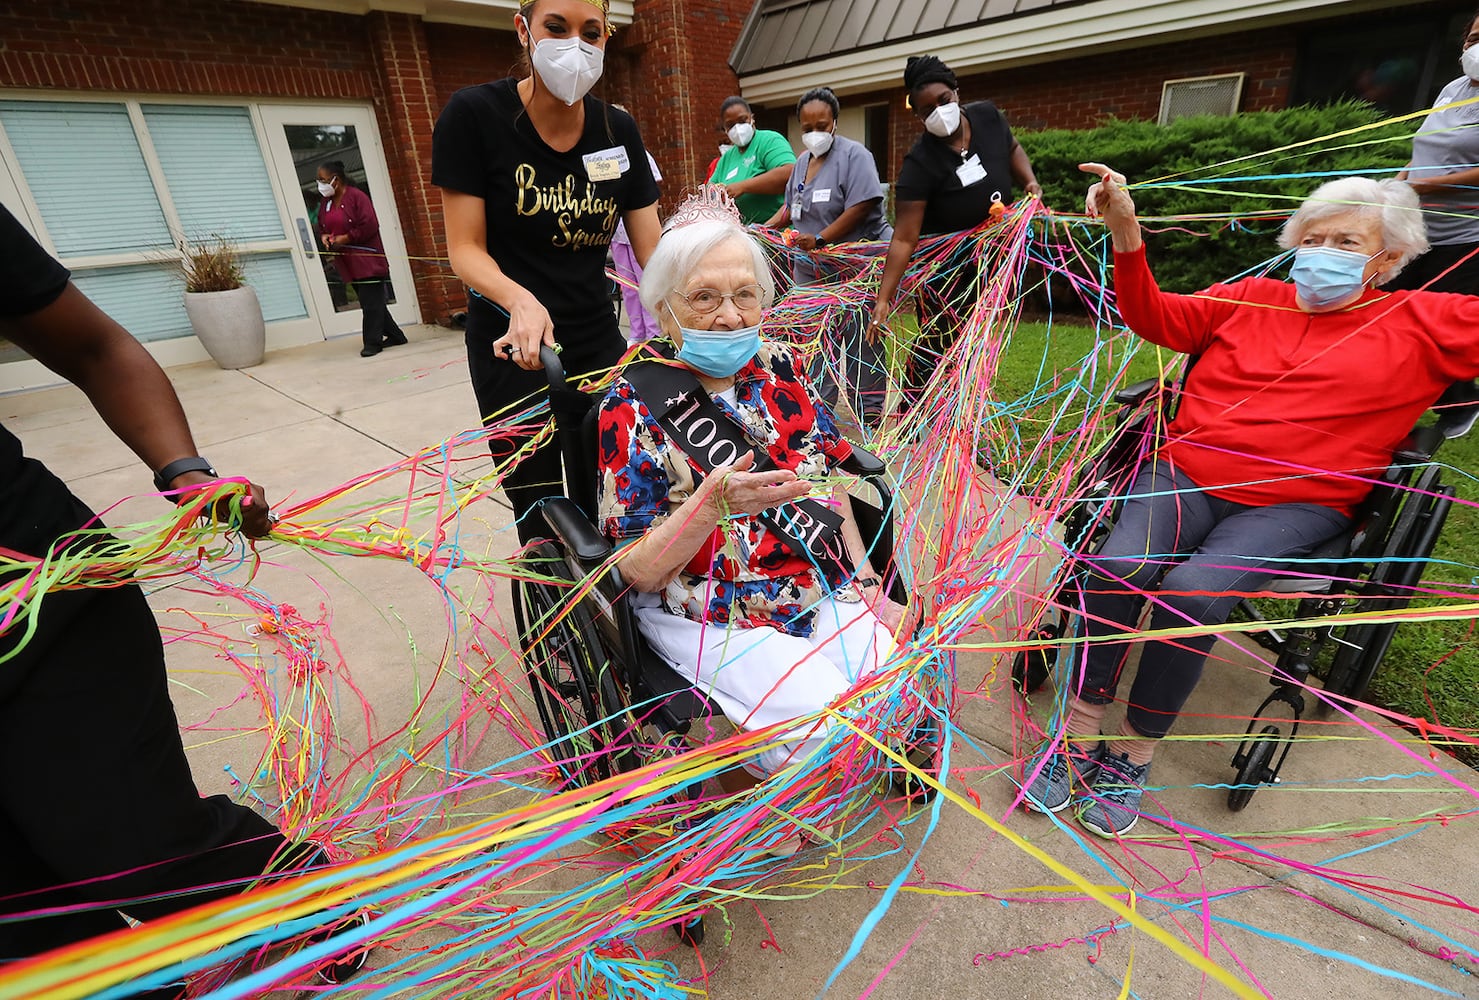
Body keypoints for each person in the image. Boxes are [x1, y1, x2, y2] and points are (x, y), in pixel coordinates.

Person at [1022, 166, 1479, 839]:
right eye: (1313, 238)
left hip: (1298, 504)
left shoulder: (1424, 320)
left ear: (1387, 260)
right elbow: (1152, 314)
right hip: (1187, 474)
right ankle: (1077, 731)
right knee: (1119, 566)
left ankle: (1132, 751)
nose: (1322, 252)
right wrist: (1125, 231)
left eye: (1346, 243)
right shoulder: (1249, 298)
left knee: (1193, 591)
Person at [0, 204, 362, 986]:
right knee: (28, 928)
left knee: (132, 847)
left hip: (44, 596)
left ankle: (301, 897)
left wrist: (185, 473)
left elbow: (95, 347)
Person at [596, 190, 905, 789]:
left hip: (808, 579)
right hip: (704, 601)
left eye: (745, 295)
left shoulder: (781, 368)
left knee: (894, 681)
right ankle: (759, 779)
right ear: (664, 310)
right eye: (704, 298)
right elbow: (634, 572)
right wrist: (707, 508)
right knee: (821, 725)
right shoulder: (633, 402)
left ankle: (779, 766)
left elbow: (826, 483)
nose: (731, 316)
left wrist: (864, 580)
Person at [432, 0, 661, 544]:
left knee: (620, 483)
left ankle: (614, 612)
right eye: (555, 28)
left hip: (596, 340)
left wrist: (710, 294)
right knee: (537, 497)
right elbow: (464, 249)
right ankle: (550, 615)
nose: (574, 46)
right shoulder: (474, 116)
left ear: (607, 38)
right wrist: (519, 299)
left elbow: (656, 253)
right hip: (513, 345)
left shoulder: (617, 129)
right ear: (523, 30)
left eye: (591, 33)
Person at [868, 55, 1042, 406]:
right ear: (917, 115)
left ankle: (964, 409)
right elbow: (904, 237)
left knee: (977, 341)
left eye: (943, 100)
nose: (937, 111)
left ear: (956, 93)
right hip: (946, 272)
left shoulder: (988, 117)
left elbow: (1012, 148)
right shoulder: (919, 163)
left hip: (994, 257)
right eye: (926, 109)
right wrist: (884, 299)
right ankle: (912, 410)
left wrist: (1030, 182)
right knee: (938, 339)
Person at [763, 87, 892, 427]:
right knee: (815, 335)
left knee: (861, 334)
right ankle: (821, 402)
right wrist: (767, 228)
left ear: (834, 122)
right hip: (811, 268)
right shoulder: (802, 163)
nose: (814, 133)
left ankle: (871, 408)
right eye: (807, 128)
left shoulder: (855, 156)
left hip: (853, 265)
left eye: (821, 125)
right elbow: (792, 207)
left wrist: (821, 238)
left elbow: (863, 205)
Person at [1391, 6, 1479, 438]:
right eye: (1473, 37)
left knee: (1441, 326)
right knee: (1386, 306)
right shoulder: (1453, 89)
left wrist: (1428, 187)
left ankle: (1462, 402)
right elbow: (1426, 146)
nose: (1477, 47)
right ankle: (1386, 388)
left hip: (1468, 235)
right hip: (1417, 228)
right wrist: (1400, 182)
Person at [315, 160, 407, 358]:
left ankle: (372, 343)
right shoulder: (326, 203)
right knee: (373, 301)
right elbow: (322, 224)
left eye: (322, 180)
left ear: (336, 180)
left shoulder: (357, 197)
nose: (320, 184)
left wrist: (346, 237)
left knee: (370, 303)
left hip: (367, 260)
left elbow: (370, 225)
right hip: (347, 262)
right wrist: (326, 237)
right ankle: (396, 335)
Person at [608, 122, 663, 343]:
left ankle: (653, 332)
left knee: (646, 283)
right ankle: (637, 333)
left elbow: (652, 189)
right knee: (628, 288)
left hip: (638, 232)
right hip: (617, 235)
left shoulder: (638, 153)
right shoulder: (600, 156)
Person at [706, 96, 796, 225]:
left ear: (751, 118)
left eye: (742, 120)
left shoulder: (769, 140)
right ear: (725, 129)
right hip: (742, 234)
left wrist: (743, 187)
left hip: (776, 232)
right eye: (730, 125)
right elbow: (710, 190)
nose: (737, 128)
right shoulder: (726, 158)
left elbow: (790, 172)